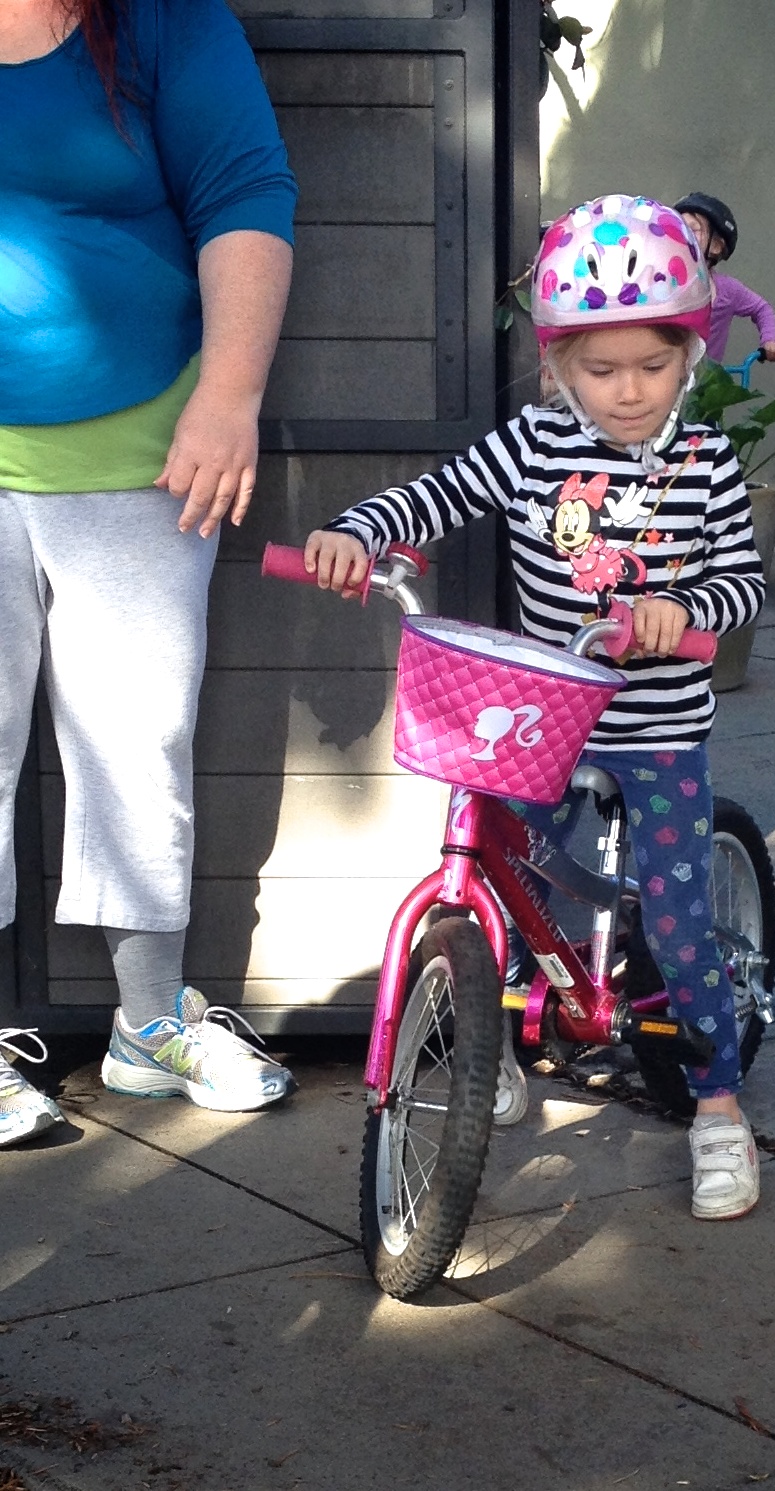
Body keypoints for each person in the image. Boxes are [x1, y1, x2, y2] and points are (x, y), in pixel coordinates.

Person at [305, 195, 766, 1222]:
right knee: (510, 879)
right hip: (542, 717)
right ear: (558, 367)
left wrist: (684, 610)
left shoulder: (706, 465)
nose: (629, 390)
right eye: (601, 370)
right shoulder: (530, 445)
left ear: (689, 356)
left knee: (679, 924)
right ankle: (490, 1050)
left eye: (653, 365)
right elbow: (432, 497)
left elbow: (743, 583)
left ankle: (718, 1104)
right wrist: (358, 531)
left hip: (657, 726)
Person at [0, 0, 299, 1145]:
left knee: (138, 748)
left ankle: (147, 1029)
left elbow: (244, 194)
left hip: (145, 457)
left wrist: (230, 396)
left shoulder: (170, 21)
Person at [674, 192, 775, 366]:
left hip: (707, 378)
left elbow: (762, 308)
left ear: (716, 246)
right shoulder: (660, 283)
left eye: (692, 229)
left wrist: (769, 339)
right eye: (677, 228)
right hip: (666, 375)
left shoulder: (727, 290)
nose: (682, 234)